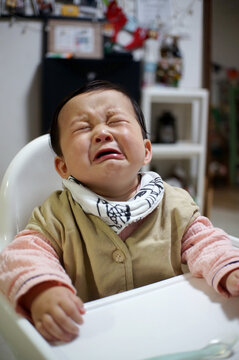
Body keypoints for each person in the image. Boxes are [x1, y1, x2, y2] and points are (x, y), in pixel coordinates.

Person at [1, 80, 239, 344]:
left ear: (146, 150)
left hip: (168, 329)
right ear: (63, 167)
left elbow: (207, 243)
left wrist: (229, 268)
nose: (102, 133)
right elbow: (22, 253)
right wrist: (43, 289)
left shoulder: (175, 203)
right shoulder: (55, 214)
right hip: (94, 338)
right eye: (83, 127)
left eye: (115, 122)